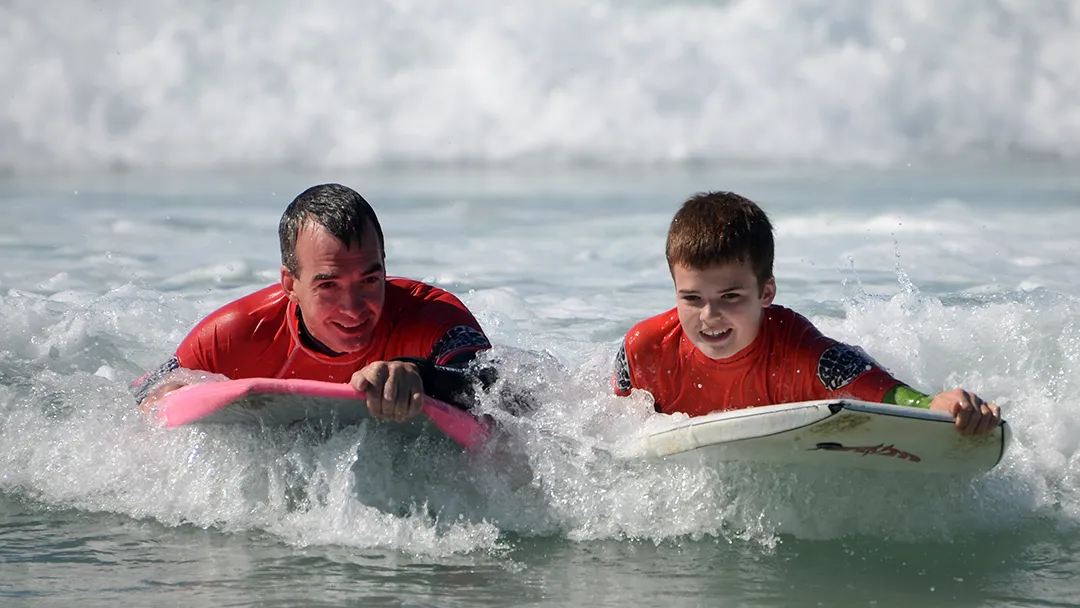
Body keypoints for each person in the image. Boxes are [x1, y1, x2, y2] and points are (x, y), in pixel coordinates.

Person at [612, 191, 1002, 436]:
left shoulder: (805, 357)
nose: (709, 315)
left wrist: (940, 405)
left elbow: (890, 394)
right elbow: (611, 428)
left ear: (766, 292)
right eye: (692, 299)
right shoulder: (644, 350)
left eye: (730, 296)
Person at [133, 183, 494, 422]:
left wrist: (417, 372)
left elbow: (499, 386)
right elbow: (145, 393)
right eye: (328, 285)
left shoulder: (433, 318)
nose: (353, 307)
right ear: (290, 283)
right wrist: (161, 397)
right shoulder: (237, 333)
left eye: (370, 280)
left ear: (385, 266)